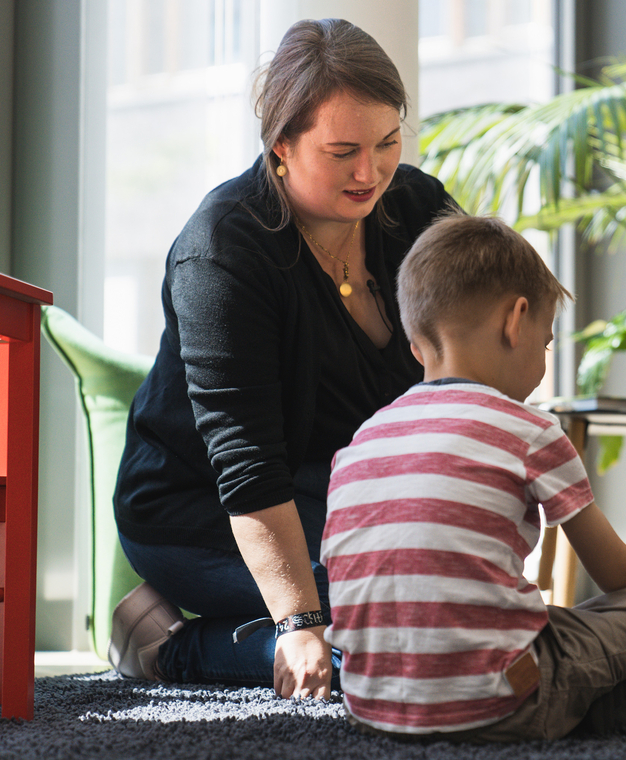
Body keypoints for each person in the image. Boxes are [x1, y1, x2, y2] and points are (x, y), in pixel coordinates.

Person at [108, 18, 457, 700]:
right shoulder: (221, 253)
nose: (371, 172)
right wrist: (299, 621)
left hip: (333, 489)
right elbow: (246, 461)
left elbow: (478, 334)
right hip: (202, 507)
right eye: (342, 151)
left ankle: (272, 610)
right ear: (281, 148)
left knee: (448, 599)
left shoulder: (414, 206)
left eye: (387, 142)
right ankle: (170, 646)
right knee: (394, 632)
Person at [321, 214, 626, 742]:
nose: (542, 359)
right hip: (500, 696)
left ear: (415, 344)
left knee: (563, 621)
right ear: (516, 320)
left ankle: (590, 701)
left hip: (373, 705)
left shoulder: (363, 440)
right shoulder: (528, 429)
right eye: (545, 344)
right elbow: (617, 571)